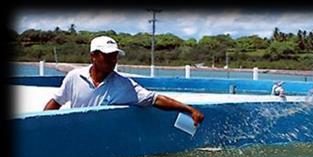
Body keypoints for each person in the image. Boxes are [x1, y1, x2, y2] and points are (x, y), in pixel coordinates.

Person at [44, 36, 204, 126]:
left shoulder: (125, 85)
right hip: (76, 135)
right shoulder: (74, 77)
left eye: (115, 56)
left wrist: (189, 110)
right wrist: (43, 128)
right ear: (93, 55)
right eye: (107, 56)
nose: (112, 60)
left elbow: (155, 99)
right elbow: (56, 102)